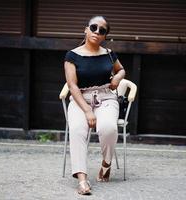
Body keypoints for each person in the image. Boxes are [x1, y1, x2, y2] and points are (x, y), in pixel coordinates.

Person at [63, 16, 126, 195]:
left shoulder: (109, 54)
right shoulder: (72, 55)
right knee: (76, 129)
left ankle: (106, 164)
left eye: (102, 30)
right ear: (86, 29)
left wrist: (117, 78)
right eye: (94, 27)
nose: (97, 32)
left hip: (106, 98)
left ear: (105, 36)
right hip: (81, 100)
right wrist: (87, 110)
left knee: (108, 128)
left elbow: (121, 69)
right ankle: (82, 180)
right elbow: (72, 86)